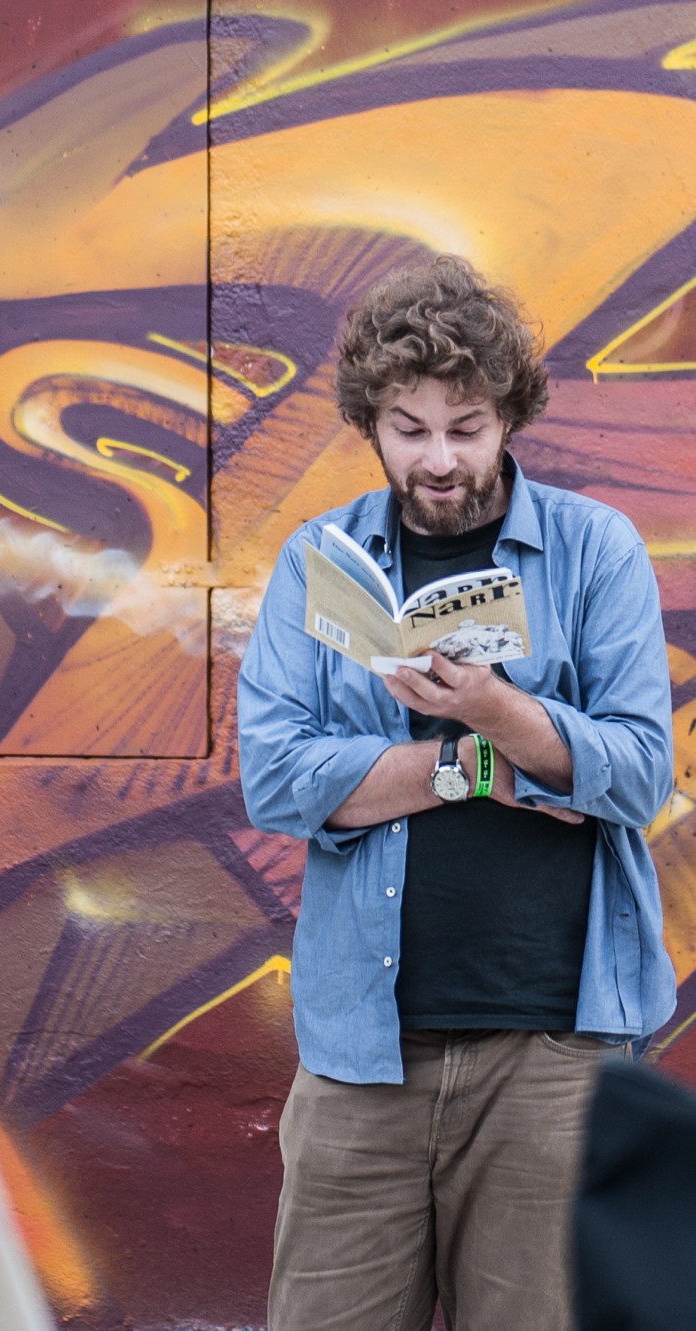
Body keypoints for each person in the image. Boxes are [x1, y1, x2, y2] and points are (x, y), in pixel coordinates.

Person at [237, 255, 676, 1331]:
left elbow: (637, 775)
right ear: (371, 424)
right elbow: (277, 778)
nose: (437, 458)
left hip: (552, 1055)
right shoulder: (319, 560)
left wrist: (489, 704)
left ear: (508, 416)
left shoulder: (592, 551)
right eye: (408, 428)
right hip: (360, 1054)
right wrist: (471, 767)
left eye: (465, 427)